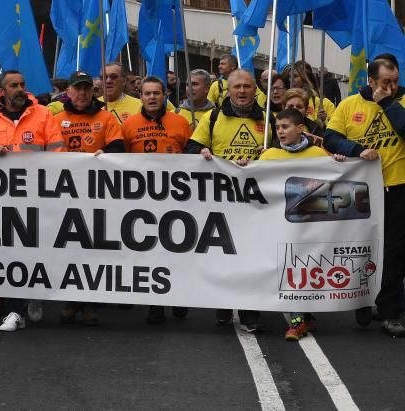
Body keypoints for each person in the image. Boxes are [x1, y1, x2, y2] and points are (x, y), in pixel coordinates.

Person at [0, 70, 62, 332]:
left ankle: (31, 295)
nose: (20, 89)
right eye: (14, 85)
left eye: (23, 84)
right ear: (2, 91)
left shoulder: (43, 115)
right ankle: (14, 310)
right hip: (3, 200)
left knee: (34, 252)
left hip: (37, 197)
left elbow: (58, 154)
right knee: (11, 253)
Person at [186, 69, 272, 332]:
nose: (243, 91)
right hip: (221, 200)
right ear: (228, 90)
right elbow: (190, 147)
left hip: (255, 203)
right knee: (223, 255)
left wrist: (268, 154)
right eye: (237, 87)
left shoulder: (269, 120)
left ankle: (249, 312)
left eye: (247, 86)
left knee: (251, 258)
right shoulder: (213, 117)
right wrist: (202, 150)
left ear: (255, 90)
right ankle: (223, 307)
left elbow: (283, 154)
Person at [324, 57, 405, 337]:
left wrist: (386, 103)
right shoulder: (350, 105)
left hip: (397, 187)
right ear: (371, 81)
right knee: (359, 246)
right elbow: (330, 138)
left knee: (394, 251)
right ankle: (362, 298)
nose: (392, 87)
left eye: (395, 81)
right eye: (386, 82)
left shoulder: (401, 102)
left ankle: (390, 312)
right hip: (360, 190)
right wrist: (356, 149)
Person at [260, 108, 344, 341]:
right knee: (290, 270)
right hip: (280, 227)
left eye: (285, 127)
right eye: (277, 128)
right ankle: (300, 320)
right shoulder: (268, 156)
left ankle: (302, 319)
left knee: (306, 269)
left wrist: (338, 162)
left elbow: (339, 179)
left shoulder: (318, 154)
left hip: (311, 226)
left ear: (300, 129)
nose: (280, 131)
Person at [54, 70, 124, 326]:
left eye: (86, 88)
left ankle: (91, 302)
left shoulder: (106, 118)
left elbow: (119, 148)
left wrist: (103, 152)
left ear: (93, 91)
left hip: (97, 194)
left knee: (93, 249)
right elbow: (44, 152)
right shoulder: (56, 118)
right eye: (77, 88)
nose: (82, 93)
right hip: (63, 194)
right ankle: (70, 301)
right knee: (67, 248)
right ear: (68, 92)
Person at [122, 77, 192, 325]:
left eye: (156, 93)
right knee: (151, 252)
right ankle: (156, 303)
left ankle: (180, 297)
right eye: (147, 93)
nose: (152, 97)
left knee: (178, 251)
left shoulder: (181, 123)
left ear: (164, 95)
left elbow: (192, 155)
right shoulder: (129, 125)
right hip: (143, 202)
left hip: (176, 200)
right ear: (140, 96)